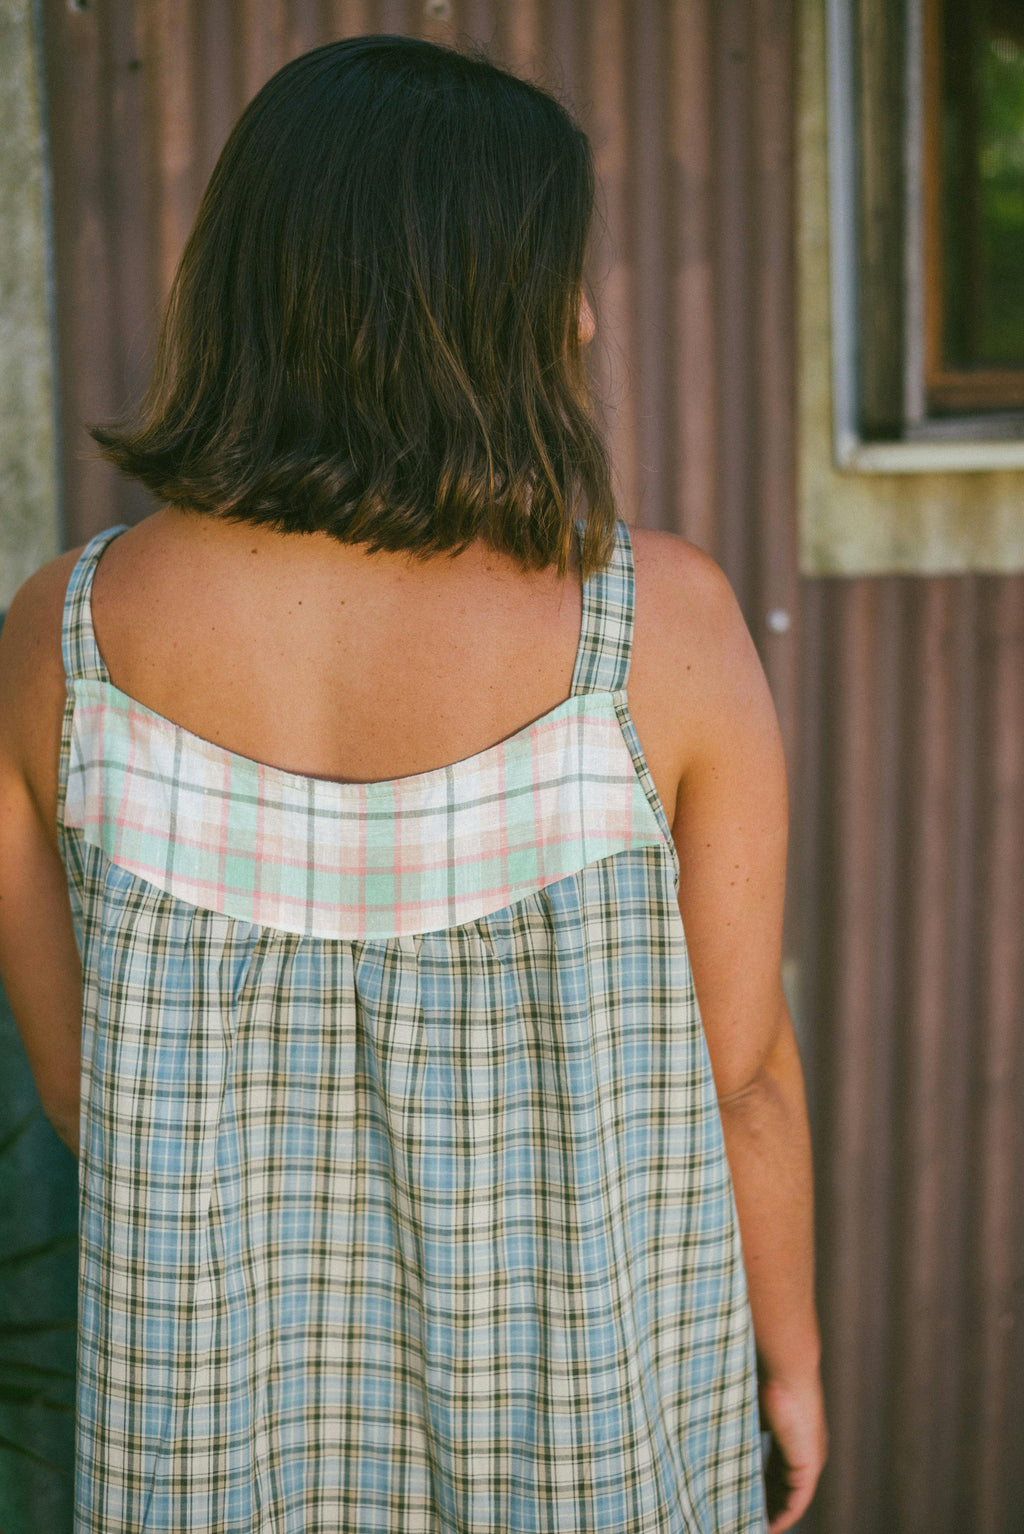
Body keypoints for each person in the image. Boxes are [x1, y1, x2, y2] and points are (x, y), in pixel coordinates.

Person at [0, 34, 826, 1534]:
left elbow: (81, 1088)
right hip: (590, 1450)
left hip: (214, 1460)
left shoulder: (58, 640)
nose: (581, 316)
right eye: (559, 275)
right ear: (482, 305)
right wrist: (796, 1358)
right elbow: (743, 1075)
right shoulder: (662, 632)